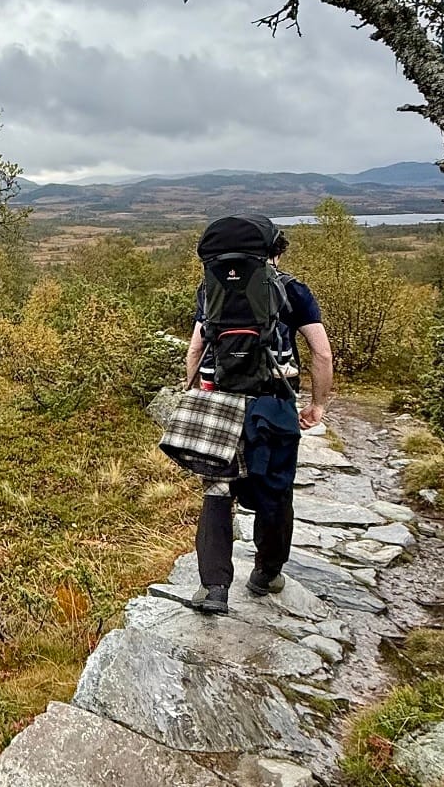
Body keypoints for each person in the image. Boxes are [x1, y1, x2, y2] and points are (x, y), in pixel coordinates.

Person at [182, 222, 334, 615]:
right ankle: (266, 574)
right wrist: (317, 405)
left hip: (221, 404)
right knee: (277, 492)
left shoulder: (210, 289)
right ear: (275, 253)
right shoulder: (293, 289)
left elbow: (196, 348)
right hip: (274, 405)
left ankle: (213, 589)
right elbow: (321, 354)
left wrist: (193, 391)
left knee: (217, 492)